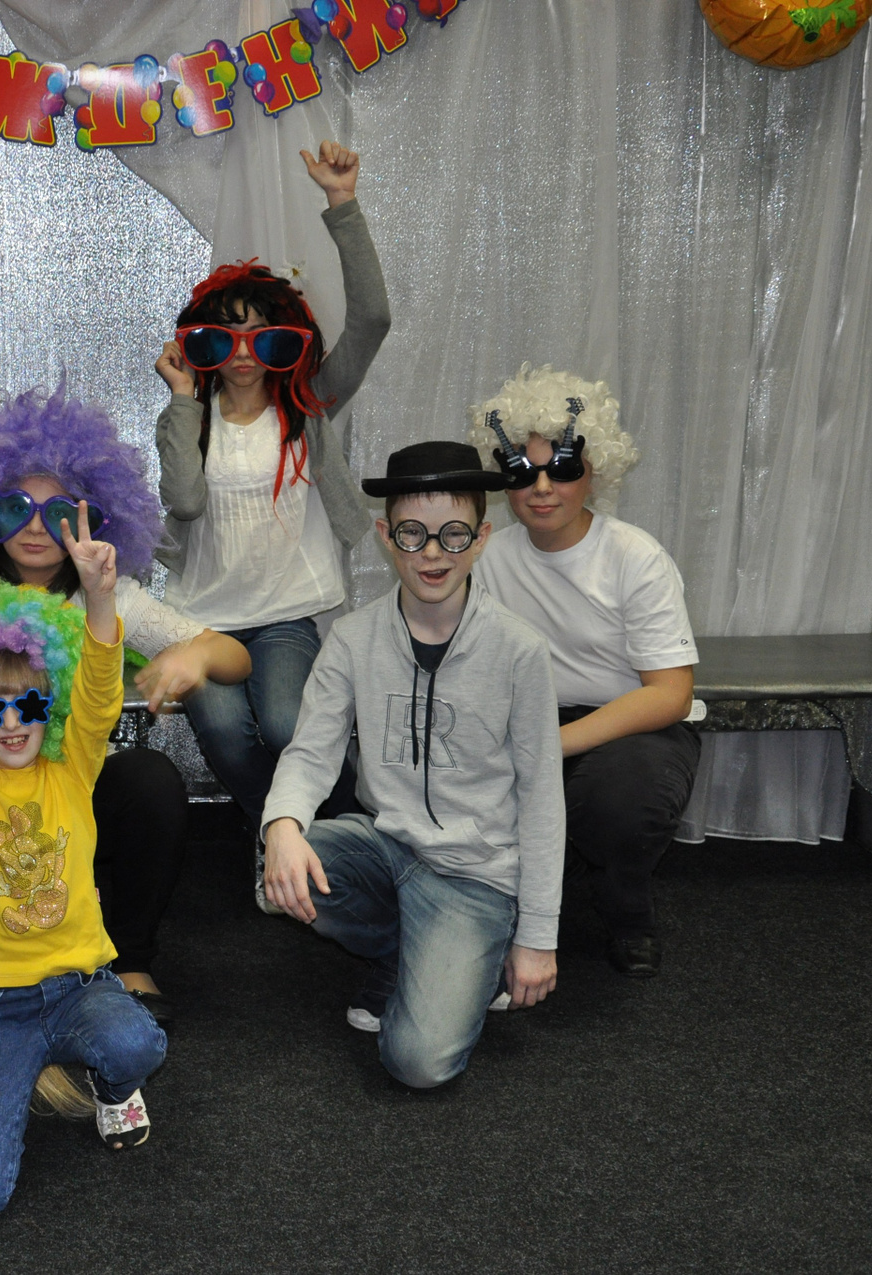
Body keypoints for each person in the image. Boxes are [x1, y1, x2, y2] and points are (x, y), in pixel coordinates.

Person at [0, 384, 251, 1025]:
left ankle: (131, 958)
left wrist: (195, 657)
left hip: (74, 787)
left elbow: (234, 655)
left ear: (94, 517)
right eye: (13, 508)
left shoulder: (106, 591)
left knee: (149, 780)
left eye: (57, 512)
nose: (34, 527)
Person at [261, 441, 564, 1089]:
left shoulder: (520, 651)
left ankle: (470, 955)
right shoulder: (353, 638)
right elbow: (311, 750)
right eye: (412, 534)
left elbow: (543, 798)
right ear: (385, 537)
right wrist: (282, 826)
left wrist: (538, 936)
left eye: (453, 534)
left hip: (473, 875)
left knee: (417, 1063)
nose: (432, 553)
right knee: (275, 872)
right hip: (387, 846)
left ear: (481, 539)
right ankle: (409, 949)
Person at [0, 498, 167, 1217]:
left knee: (138, 1043)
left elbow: (100, 695)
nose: (13, 722)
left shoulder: (72, 770)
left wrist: (101, 597)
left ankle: (110, 1085)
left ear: (50, 708)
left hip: (81, 987)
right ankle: (23, 1069)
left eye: (31, 705)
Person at [153, 142, 391, 910]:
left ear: (288, 340)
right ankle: (282, 834)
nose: (245, 354)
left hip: (286, 613)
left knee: (291, 724)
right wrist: (183, 401)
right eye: (224, 337)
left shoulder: (307, 404)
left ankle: (338, 829)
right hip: (204, 618)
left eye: (265, 335)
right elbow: (185, 502)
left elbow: (374, 319)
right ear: (201, 343)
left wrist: (341, 203)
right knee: (226, 736)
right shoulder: (187, 416)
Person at [468, 366, 699, 977]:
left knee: (619, 805)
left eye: (563, 469)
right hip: (527, 719)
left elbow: (671, 694)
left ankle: (627, 907)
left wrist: (550, 745)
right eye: (523, 472)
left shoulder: (634, 556)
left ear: (594, 472)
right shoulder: (487, 557)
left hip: (630, 725)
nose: (542, 488)